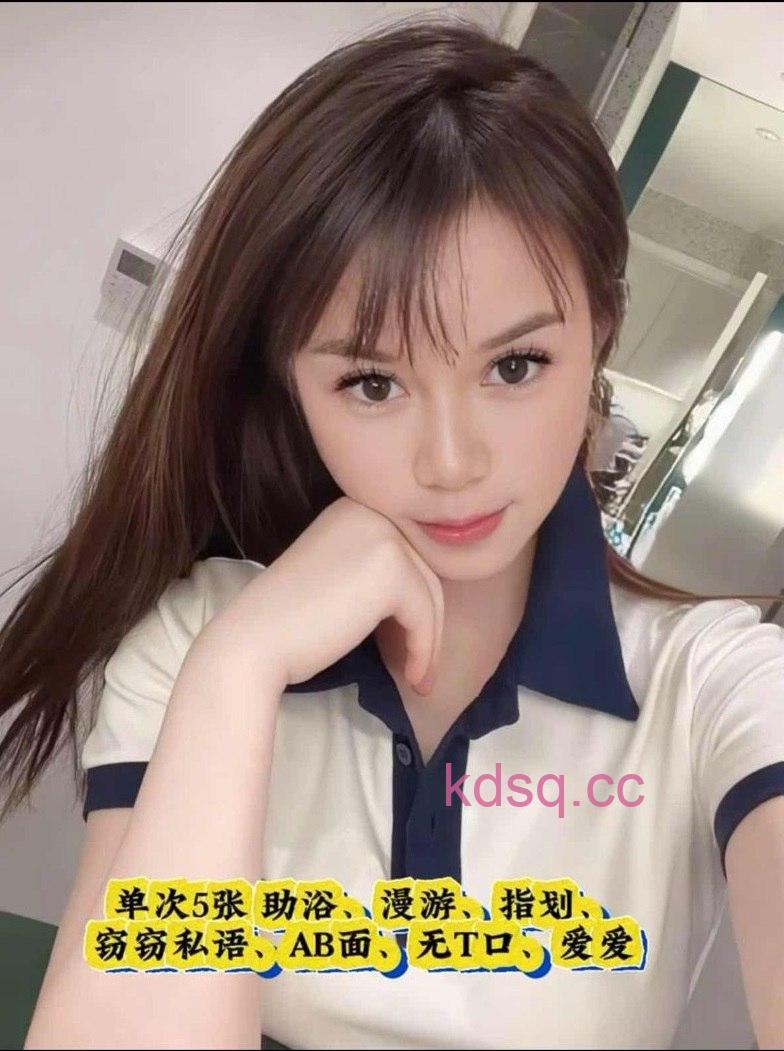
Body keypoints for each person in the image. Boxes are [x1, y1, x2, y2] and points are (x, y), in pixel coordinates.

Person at [3, 15, 783, 1051]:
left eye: (515, 366)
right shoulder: (204, 640)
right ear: (290, 381)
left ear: (599, 326)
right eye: (372, 382)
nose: (451, 462)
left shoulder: (713, 683)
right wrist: (241, 669)